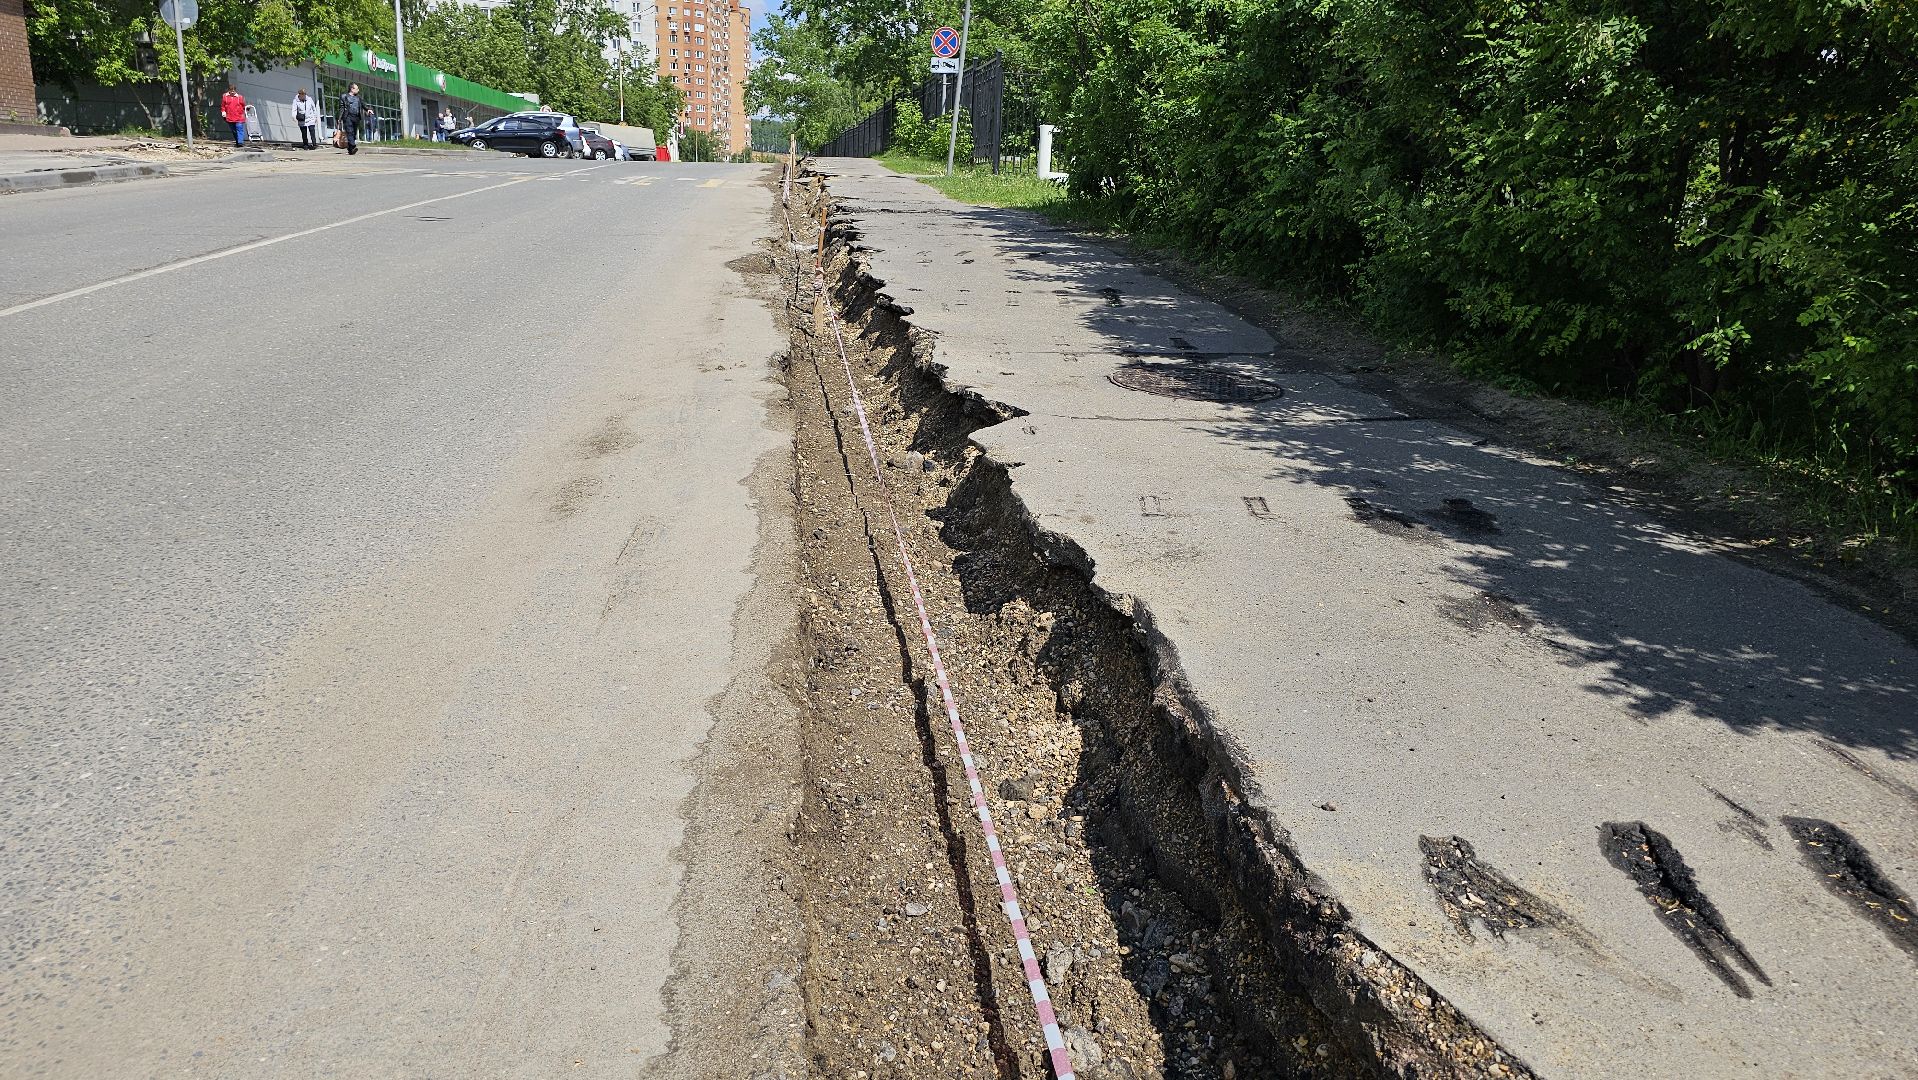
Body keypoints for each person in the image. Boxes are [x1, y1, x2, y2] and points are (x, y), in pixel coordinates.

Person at [336, 83, 365, 155]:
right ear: (352, 89)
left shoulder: (358, 97)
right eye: (357, 89)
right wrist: (339, 118)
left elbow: (364, 105)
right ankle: (353, 146)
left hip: (356, 117)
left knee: (354, 133)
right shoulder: (344, 96)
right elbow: (342, 108)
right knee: (349, 132)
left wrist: (368, 109)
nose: (358, 90)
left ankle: (350, 149)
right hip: (348, 116)